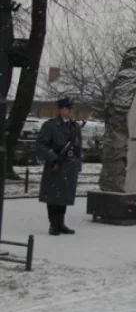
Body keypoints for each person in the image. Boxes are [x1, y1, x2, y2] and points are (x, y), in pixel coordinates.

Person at [36, 97, 83, 236]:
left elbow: (78, 147)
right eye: (67, 108)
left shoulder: (75, 127)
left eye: (70, 108)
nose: (70, 111)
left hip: (70, 166)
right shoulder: (50, 126)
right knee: (53, 195)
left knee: (65, 196)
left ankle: (61, 224)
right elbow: (40, 145)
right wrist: (54, 158)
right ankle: (53, 225)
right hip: (55, 165)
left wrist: (78, 162)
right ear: (61, 109)